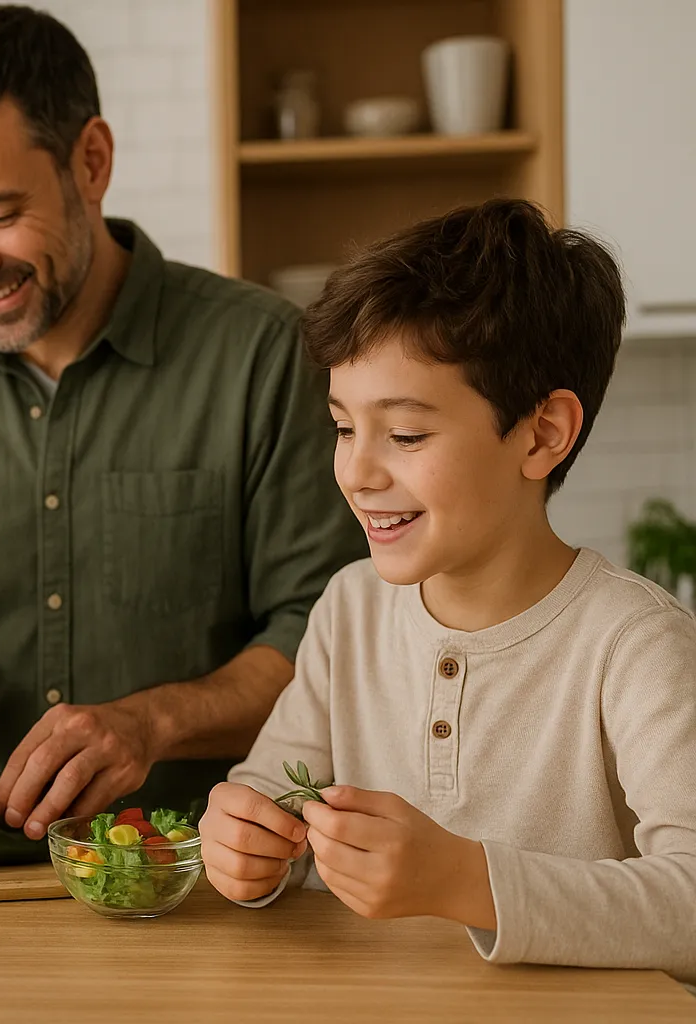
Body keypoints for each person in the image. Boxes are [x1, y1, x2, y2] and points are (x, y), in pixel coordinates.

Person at [0, 4, 364, 838]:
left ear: (91, 162)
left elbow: (326, 635)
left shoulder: (263, 354)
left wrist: (152, 723)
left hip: (212, 880)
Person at [199, 199, 696, 985]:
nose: (358, 471)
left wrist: (470, 882)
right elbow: (269, 799)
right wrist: (244, 846)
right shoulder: (349, 611)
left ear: (541, 434)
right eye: (342, 427)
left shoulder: (634, 643)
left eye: (404, 434)